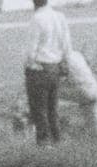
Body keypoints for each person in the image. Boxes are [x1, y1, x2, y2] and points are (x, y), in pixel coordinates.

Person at [23, 0, 73, 145]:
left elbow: (31, 49)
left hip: (39, 68)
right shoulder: (60, 17)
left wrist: (28, 66)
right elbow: (67, 46)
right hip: (55, 67)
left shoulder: (37, 18)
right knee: (53, 110)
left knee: (39, 111)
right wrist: (63, 63)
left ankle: (44, 144)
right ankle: (57, 142)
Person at [62, 50, 97, 140]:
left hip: (81, 91)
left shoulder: (59, 56)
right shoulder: (77, 55)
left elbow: (59, 73)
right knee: (93, 122)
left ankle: (50, 137)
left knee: (43, 91)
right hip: (94, 89)